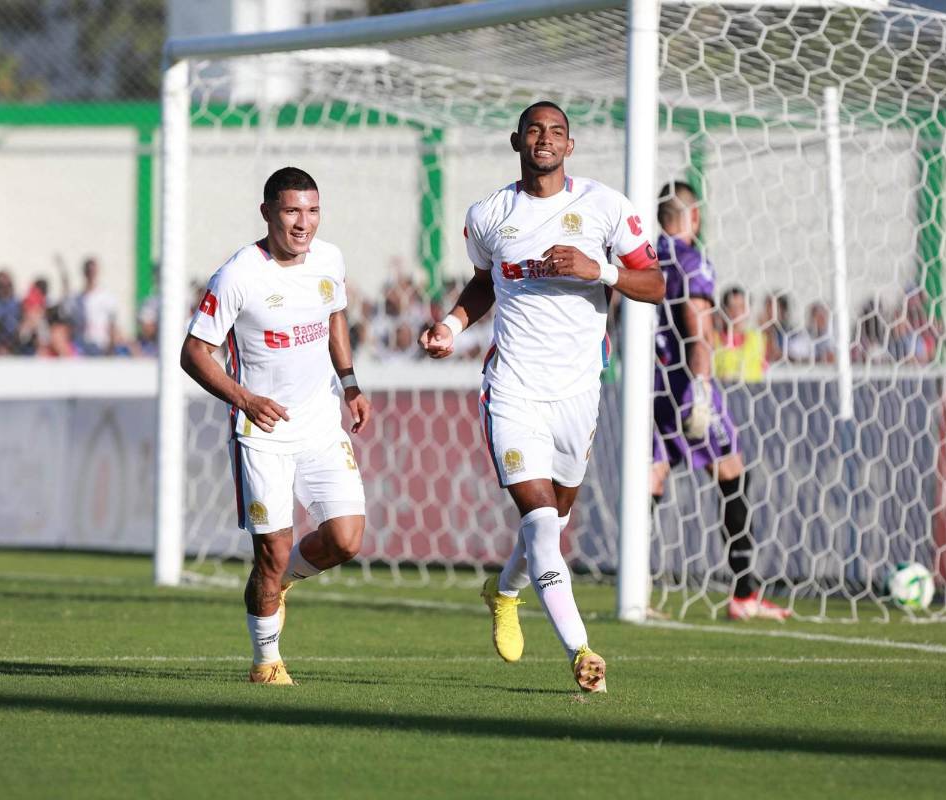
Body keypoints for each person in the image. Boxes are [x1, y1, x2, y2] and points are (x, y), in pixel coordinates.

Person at [419, 101, 664, 693]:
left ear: (569, 146)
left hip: (578, 392)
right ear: (517, 141)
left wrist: (599, 271)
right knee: (540, 521)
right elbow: (484, 283)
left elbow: (656, 285)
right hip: (512, 389)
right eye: (534, 130)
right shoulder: (488, 215)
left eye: (556, 132)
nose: (545, 139)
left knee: (555, 519)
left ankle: (505, 590)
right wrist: (450, 326)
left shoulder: (605, 206)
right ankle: (582, 651)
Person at [180, 167, 372, 685]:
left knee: (346, 539)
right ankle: (266, 661)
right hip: (262, 433)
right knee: (272, 549)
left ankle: (280, 581)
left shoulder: (329, 259)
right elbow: (194, 353)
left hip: (321, 424)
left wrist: (350, 383)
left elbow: (334, 315)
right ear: (267, 213)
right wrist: (244, 399)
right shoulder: (238, 275)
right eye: (291, 211)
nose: (303, 223)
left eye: (312, 211)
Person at [649, 181, 790, 622]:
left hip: (651, 385)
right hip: (685, 383)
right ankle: (744, 593)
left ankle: (633, 590)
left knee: (653, 475)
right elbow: (697, 327)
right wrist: (702, 388)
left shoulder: (646, 257)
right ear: (693, 217)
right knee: (731, 469)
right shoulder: (691, 260)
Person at [712, 286, 766, 382]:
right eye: (732, 307)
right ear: (723, 310)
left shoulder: (759, 339)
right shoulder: (713, 340)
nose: (737, 312)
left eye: (742, 307)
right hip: (724, 389)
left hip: (753, 390)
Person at [70, 257, 120, 355]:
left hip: (101, 345)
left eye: (93, 271)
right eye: (88, 271)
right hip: (81, 347)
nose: (91, 275)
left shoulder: (107, 297)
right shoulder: (76, 299)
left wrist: (111, 347)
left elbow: (112, 325)